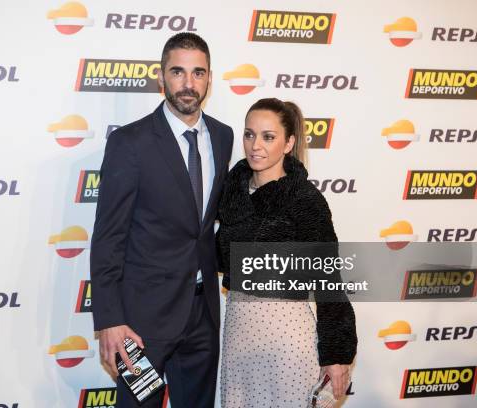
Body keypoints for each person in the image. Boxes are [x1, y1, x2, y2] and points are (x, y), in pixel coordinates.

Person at [90, 32, 234, 408]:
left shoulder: (222, 136)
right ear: (161, 77)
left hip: (202, 316)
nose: (188, 84)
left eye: (198, 73)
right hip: (141, 324)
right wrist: (109, 319)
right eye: (178, 72)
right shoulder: (130, 143)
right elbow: (108, 237)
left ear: (209, 78)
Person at [217, 98, 357, 407]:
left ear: (289, 142)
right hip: (238, 331)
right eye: (249, 134)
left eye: (268, 137)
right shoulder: (231, 191)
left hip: (286, 338)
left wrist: (336, 355)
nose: (256, 145)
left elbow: (328, 279)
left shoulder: (304, 200)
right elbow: (219, 254)